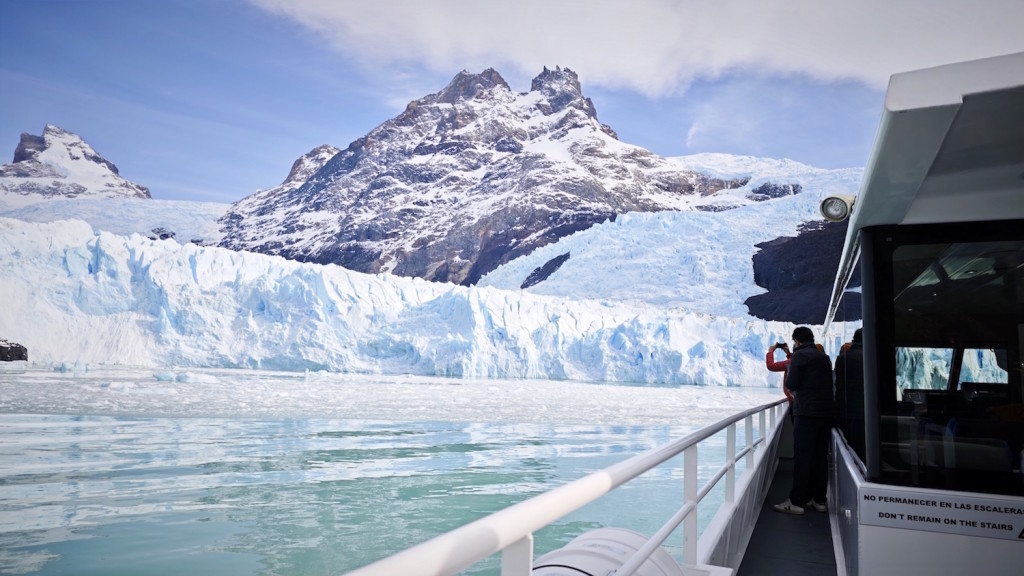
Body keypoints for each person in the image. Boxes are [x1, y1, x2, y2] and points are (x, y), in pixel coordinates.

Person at [774, 326, 835, 515]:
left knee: (802, 457)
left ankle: (797, 501)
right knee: (820, 457)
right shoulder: (823, 358)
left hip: (806, 413)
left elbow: (791, 383)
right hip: (825, 413)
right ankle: (819, 500)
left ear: (797, 341)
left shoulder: (799, 356)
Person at [834, 328, 865, 459]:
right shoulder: (871, 356)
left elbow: (838, 383)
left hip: (845, 409)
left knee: (848, 446)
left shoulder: (842, 358)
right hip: (865, 410)